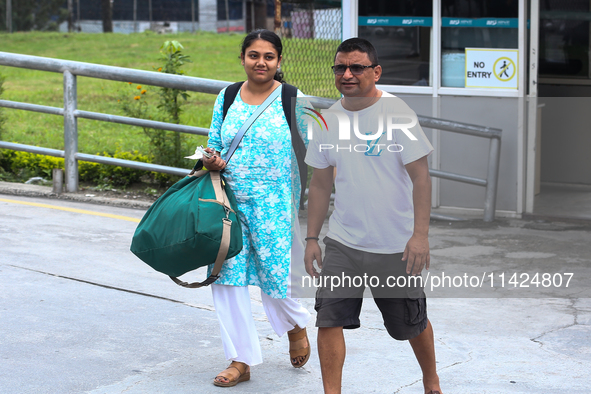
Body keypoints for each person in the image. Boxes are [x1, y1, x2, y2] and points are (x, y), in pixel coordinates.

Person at [304, 37, 443, 394]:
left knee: (408, 325)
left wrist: (420, 236)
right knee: (329, 319)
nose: (347, 74)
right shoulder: (325, 121)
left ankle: (431, 380)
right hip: (344, 243)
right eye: (340, 67)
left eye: (357, 67)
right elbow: (319, 185)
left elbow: (421, 178)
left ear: (376, 72)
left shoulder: (397, 114)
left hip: (394, 247)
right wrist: (311, 238)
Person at [201, 29, 312, 387]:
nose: (260, 62)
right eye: (253, 55)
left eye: (268, 56)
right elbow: (213, 142)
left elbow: (322, 152)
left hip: (275, 205)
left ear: (279, 61)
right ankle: (240, 360)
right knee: (226, 279)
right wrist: (211, 159)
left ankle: (296, 325)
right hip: (228, 203)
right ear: (243, 57)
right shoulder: (228, 95)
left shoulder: (294, 99)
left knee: (275, 276)